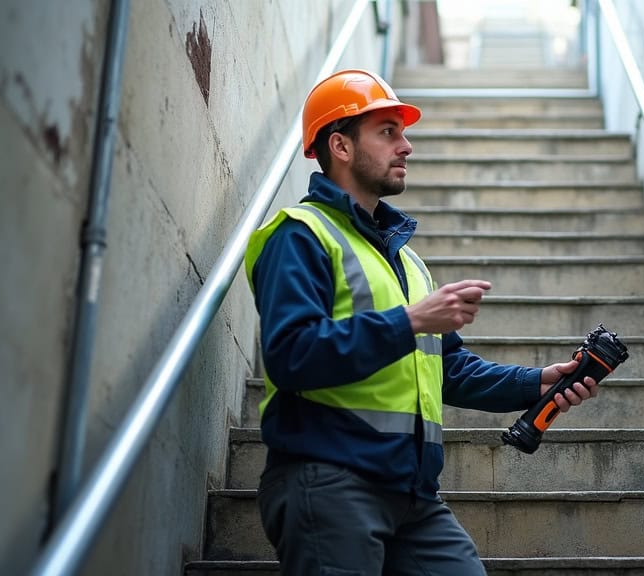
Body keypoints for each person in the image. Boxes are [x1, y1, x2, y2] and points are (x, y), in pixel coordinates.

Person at [242, 69, 600, 575]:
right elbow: (292, 354)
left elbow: (446, 366)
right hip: (328, 482)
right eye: (388, 132)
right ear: (340, 146)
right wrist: (409, 320)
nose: (406, 146)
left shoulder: (407, 261)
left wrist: (536, 382)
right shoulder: (300, 236)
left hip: (413, 497)